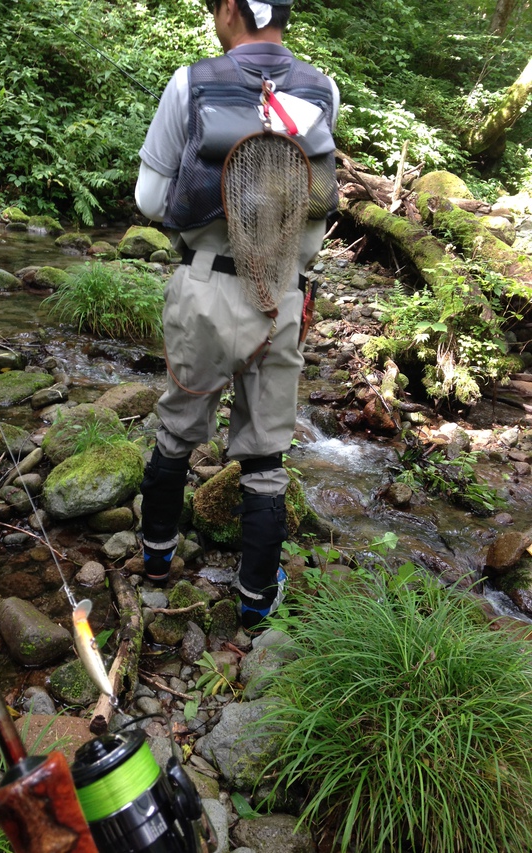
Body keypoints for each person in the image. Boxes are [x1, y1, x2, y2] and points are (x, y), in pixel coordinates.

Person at [135, 0, 339, 633]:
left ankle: (157, 559)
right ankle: (254, 600)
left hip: (205, 285)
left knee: (177, 428)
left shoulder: (190, 81)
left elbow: (148, 198)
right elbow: (320, 209)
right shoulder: (321, 88)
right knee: (266, 452)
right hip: (281, 293)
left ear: (229, 11)